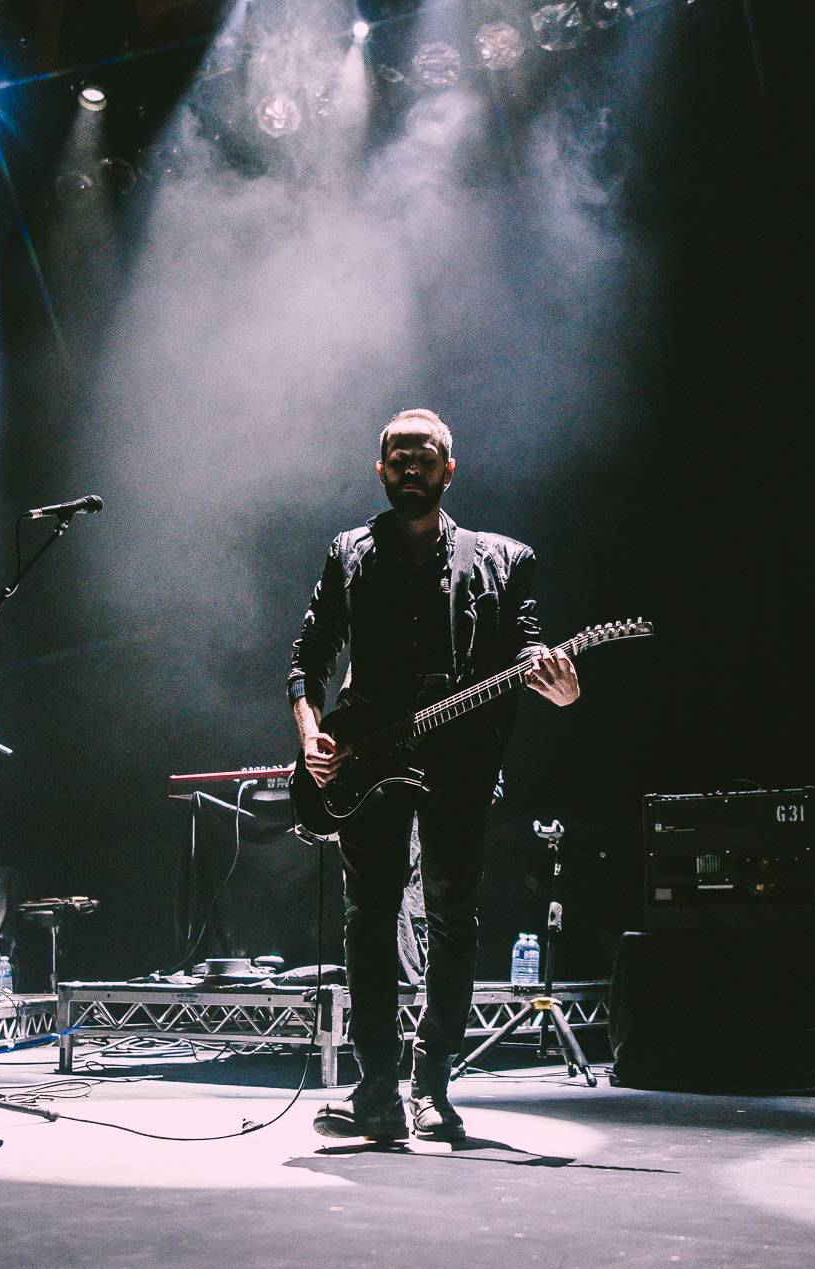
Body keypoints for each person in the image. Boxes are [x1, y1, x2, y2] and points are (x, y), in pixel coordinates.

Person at [290, 409, 580, 1142]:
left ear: (449, 469)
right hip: (366, 759)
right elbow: (308, 658)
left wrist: (553, 679)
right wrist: (311, 734)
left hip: (460, 761)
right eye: (398, 460)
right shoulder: (349, 552)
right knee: (368, 918)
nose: (410, 470)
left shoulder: (504, 559)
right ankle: (376, 1089)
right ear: (380, 469)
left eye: (424, 459)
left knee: (452, 919)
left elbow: (527, 645)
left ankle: (432, 1086)